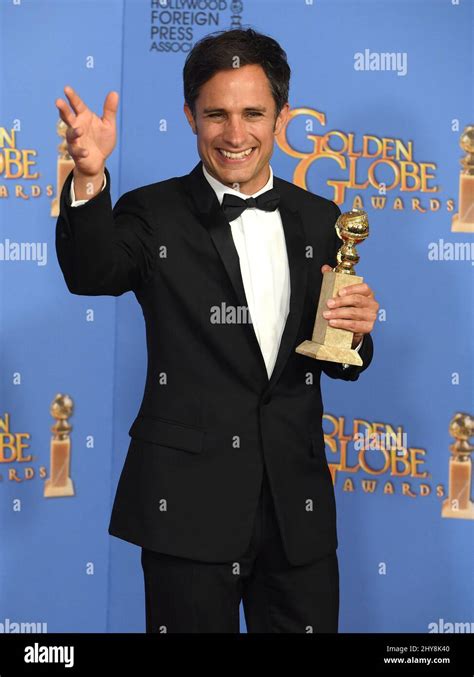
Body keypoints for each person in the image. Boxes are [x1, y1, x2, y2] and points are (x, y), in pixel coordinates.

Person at [55, 28, 378, 633]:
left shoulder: (322, 219)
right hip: (187, 504)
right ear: (189, 116)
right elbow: (92, 271)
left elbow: (337, 357)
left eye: (254, 113)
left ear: (281, 116)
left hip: (295, 510)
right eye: (217, 115)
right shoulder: (153, 212)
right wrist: (90, 180)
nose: (235, 134)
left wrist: (357, 333)